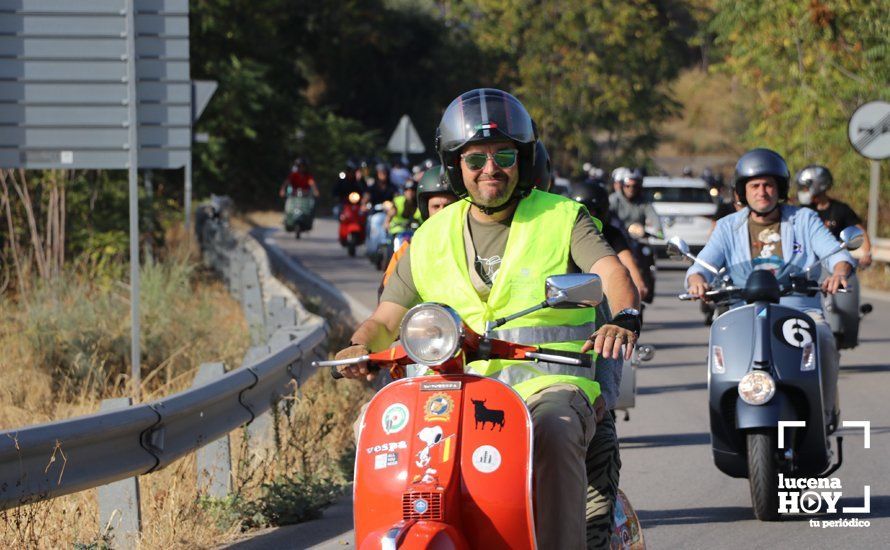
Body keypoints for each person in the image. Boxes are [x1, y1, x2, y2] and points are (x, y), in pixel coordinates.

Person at [335, 88, 641, 549]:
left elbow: (610, 272)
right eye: (475, 159)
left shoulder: (563, 218)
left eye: (503, 155)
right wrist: (359, 344)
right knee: (376, 430)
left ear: (523, 159)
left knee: (555, 434)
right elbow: (385, 316)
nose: (490, 169)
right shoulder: (431, 234)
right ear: (456, 166)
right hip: (450, 390)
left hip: (549, 386)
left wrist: (624, 316)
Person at [686, 148, 853, 432]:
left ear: (780, 189)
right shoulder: (728, 227)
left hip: (799, 310)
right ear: (742, 191)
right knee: (718, 352)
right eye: (754, 186)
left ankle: (823, 415)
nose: (762, 192)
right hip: (741, 311)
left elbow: (838, 257)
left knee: (823, 337)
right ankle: (725, 420)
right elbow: (701, 266)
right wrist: (697, 280)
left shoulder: (804, 220)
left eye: (768, 185)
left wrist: (839, 273)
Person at [379, 165, 458, 296]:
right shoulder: (408, 251)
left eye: (448, 206)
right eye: (436, 206)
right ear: (426, 210)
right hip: (420, 314)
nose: (442, 212)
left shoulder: (472, 244)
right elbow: (388, 298)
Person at [573, 182, 650, 302]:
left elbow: (626, 258)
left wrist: (638, 283)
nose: (583, 220)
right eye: (578, 214)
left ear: (601, 211)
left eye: (589, 213)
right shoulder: (562, 233)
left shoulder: (612, 234)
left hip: (604, 299)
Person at [796, 164, 873, 268]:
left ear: (817, 185)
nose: (803, 191)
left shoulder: (841, 209)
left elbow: (859, 231)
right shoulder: (802, 211)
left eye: (805, 188)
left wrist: (866, 254)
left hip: (833, 263)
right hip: (807, 266)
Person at [609, 168, 663, 236]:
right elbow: (608, 218)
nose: (631, 189)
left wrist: (659, 234)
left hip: (638, 241)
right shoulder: (613, 200)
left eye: (634, 186)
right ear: (622, 186)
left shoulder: (644, 202)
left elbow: (654, 218)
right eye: (627, 186)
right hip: (617, 237)